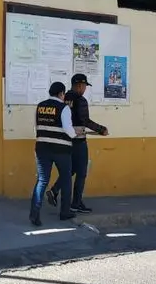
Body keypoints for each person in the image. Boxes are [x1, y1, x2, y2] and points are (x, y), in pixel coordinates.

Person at [46, 73, 109, 213]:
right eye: (85, 86)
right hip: (79, 141)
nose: (85, 89)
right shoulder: (81, 100)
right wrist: (101, 129)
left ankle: (55, 191)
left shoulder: (63, 98)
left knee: (70, 170)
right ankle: (76, 202)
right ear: (80, 85)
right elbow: (85, 120)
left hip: (64, 140)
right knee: (81, 172)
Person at [31, 82, 78, 226]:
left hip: (42, 148)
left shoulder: (40, 106)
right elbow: (68, 129)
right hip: (61, 150)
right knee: (65, 178)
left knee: (42, 180)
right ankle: (64, 212)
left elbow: (36, 127)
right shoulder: (64, 108)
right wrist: (76, 134)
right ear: (61, 94)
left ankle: (34, 214)